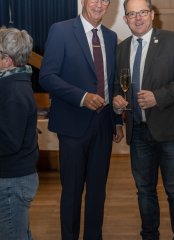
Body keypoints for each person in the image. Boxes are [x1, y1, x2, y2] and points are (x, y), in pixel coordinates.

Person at [113, 0, 174, 239]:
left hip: (169, 130)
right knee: (144, 190)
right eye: (131, 14)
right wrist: (118, 98)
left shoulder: (173, 40)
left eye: (142, 12)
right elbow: (119, 85)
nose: (137, 18)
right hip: (138, 131)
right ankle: (149, 235)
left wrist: (157, 97)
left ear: (152, 14)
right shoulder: (122, 48)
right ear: (126, 19)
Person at [39, 0, 123, 239]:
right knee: (72, 192)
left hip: (104, 124)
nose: (99, 4)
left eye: (105, 0)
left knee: (97, 192)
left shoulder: (110, 36)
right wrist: (82, 97)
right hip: (73, 125)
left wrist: (117, 120)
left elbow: (113, 82)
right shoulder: (61, 30)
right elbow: (47, 76)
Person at [0, 27, 39, 240]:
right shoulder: (13, 84)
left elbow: (8, 142)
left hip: (12, 180)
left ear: (7, 60)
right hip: (13, 178)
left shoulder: (12, 91)